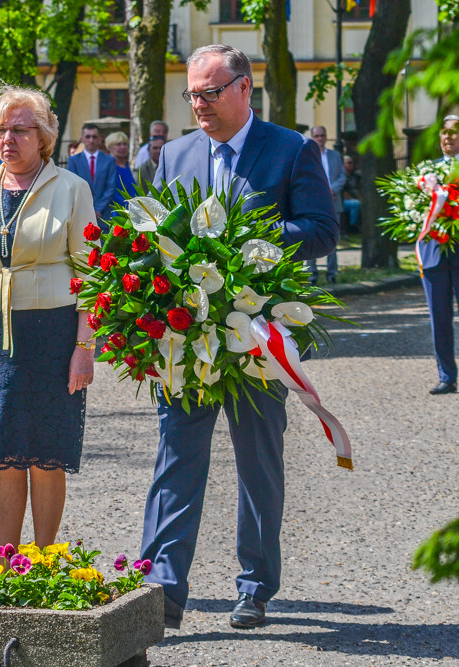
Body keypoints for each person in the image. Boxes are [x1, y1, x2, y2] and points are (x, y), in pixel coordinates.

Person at [145, 44, 338, 630]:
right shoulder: (174, 154)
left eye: (209, 92)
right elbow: (152, 234)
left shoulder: (291, 149)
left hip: (260, 336)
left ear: (244, 88)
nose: (198, 104)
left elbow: (324, 230)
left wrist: (256, 238)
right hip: (188, 338)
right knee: (176, 458)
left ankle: (254, 585)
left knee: (258, 462)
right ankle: (161, 591)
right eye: (192, 95)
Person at [0, 85, 95, 551]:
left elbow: (92, 272)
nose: (8, 138)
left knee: (47, 454)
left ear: (44, 136)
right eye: (1, 130)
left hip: (53, 332)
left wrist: (85, 348)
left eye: (20, 130)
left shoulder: (72, 188)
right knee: (3, 452)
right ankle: (7, 560)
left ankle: (45, 561)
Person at [420, 114, 459, 395]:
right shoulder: (426, 174)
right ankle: (446, 375)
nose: (448, 138)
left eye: (454, 134)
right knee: (439, 319)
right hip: (434, 255)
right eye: (445, 134)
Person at [305, 126, 346, 285]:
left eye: (322, 135)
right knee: (311, 237)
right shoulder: (306, 155)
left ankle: (332, 273)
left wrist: (332, 189)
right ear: (312, 137)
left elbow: (342, 175)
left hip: (334, 201)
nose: (320, 138)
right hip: (313, 203)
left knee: (334, 239)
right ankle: (311, 274)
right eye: (316, 136)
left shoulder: (335, 155)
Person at [67, 123, 118, 224]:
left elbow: (111, 187)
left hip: (104, 216)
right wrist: (88, 210)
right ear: (82, 139)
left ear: (99, 139)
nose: (91, 140)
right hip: (81, 215)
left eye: (94, 137)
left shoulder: (109, 160)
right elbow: (73, 187)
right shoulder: (73, 161)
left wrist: (98, 210)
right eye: (88, 137)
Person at [105, 131, 138, 212]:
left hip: (132, 210)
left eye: (125, 144)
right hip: (116, 211)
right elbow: (111, 192)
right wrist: (128, 205)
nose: (122, 147)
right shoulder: (108, 167)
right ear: (110, 148)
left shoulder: (126, 166)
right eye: (118, 144)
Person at [341, 155, 361, 232]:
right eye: (349, 163)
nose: (351, 164)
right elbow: (344, 192)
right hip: (345, 201)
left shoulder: (354, 176)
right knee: (356, 204)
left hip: (355, 198)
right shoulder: (341, 176)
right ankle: (353, 227)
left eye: (352, 162)